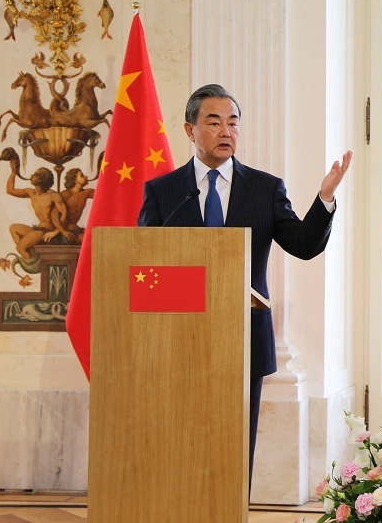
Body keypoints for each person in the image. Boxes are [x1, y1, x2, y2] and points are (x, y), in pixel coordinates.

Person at [137, 84, 352, 488]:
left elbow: (303, 245)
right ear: (190, 129)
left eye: (233, 123)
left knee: (233, 451)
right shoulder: (164, 191)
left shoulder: (264, 188)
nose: (226, 132)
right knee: (181, 445)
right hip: (177, 340)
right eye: (214, 122)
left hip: (243, 339)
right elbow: (144, 268)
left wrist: (324, 198)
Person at [6, 164, 73, 259]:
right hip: (38, 229)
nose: (32, 175)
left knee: (20, 247)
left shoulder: (53, 195)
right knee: (13, 228)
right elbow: (10, 190)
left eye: (36, 174)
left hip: (47, 231)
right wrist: (13, 173)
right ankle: (31, 255)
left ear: (41, 180)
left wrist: (55, 232)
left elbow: (65, 214)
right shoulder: (31, 192)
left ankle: (31, 261)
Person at [60, 168, 95, 243]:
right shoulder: (65, 194)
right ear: (75, 180)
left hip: (75, 228)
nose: (86, 176)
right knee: (91, 239)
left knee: (97, 234)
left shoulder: (86, 193)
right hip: (65, 230)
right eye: (82, 175)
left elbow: (104, 194)